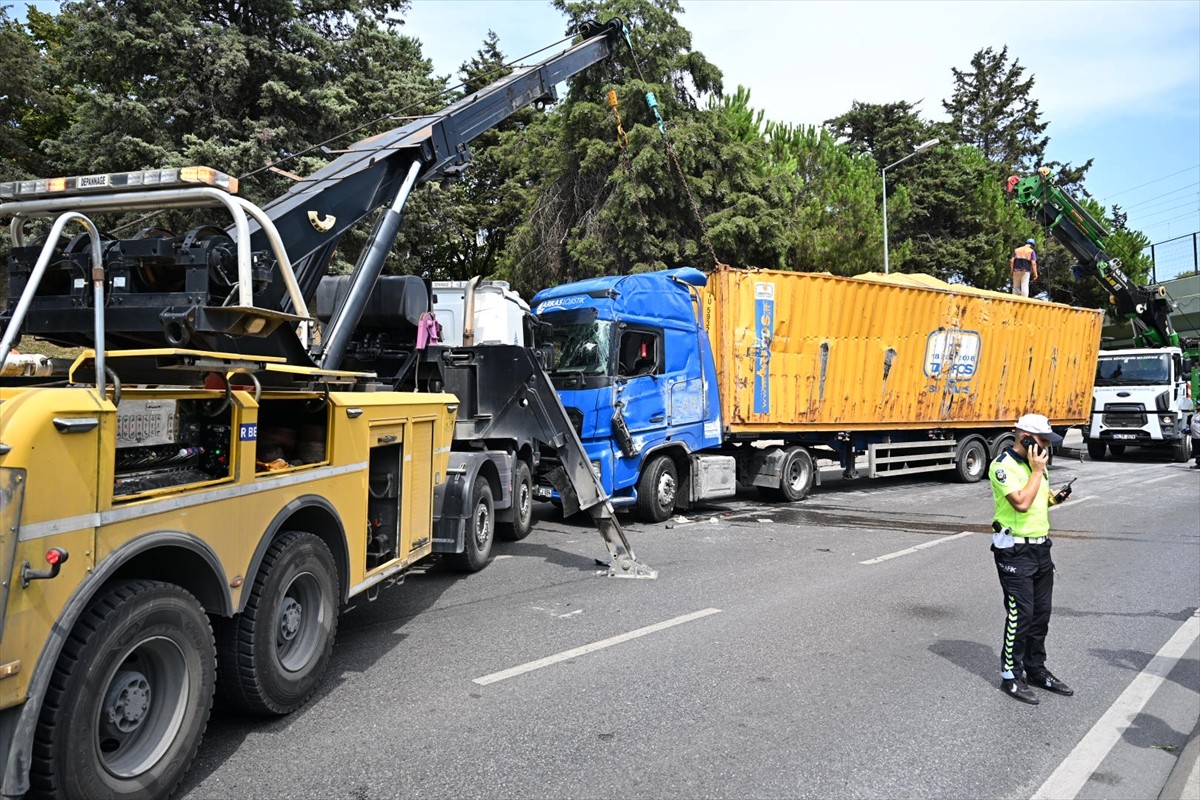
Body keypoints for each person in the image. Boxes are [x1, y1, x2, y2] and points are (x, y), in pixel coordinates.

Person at [988, 413, 1075, 704]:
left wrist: (1055, 498)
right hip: (1014, 550)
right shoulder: (1003, 467)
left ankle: (1035, 669)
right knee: (1020, 615)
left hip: (1040, 549)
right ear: (1024, 436)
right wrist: (1038, 471)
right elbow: (1022, 503)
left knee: (1041, 614)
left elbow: (1038, 499)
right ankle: (1010, 676)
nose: (1046, 447)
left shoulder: (1036, 465)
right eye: (1042, 440)